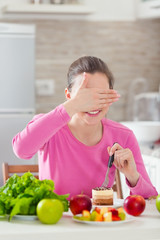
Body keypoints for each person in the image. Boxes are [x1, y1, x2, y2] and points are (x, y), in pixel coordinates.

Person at [12, 56, 158, 199]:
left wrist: (133, 176)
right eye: (85, 97)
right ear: (68, 96)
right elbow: (21, 150)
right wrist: (73, 105)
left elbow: (150, 199)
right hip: (54, 219)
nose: (93, 104)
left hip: (98, 220)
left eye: (100, 96)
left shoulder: (122, 135)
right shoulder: (49, 126)